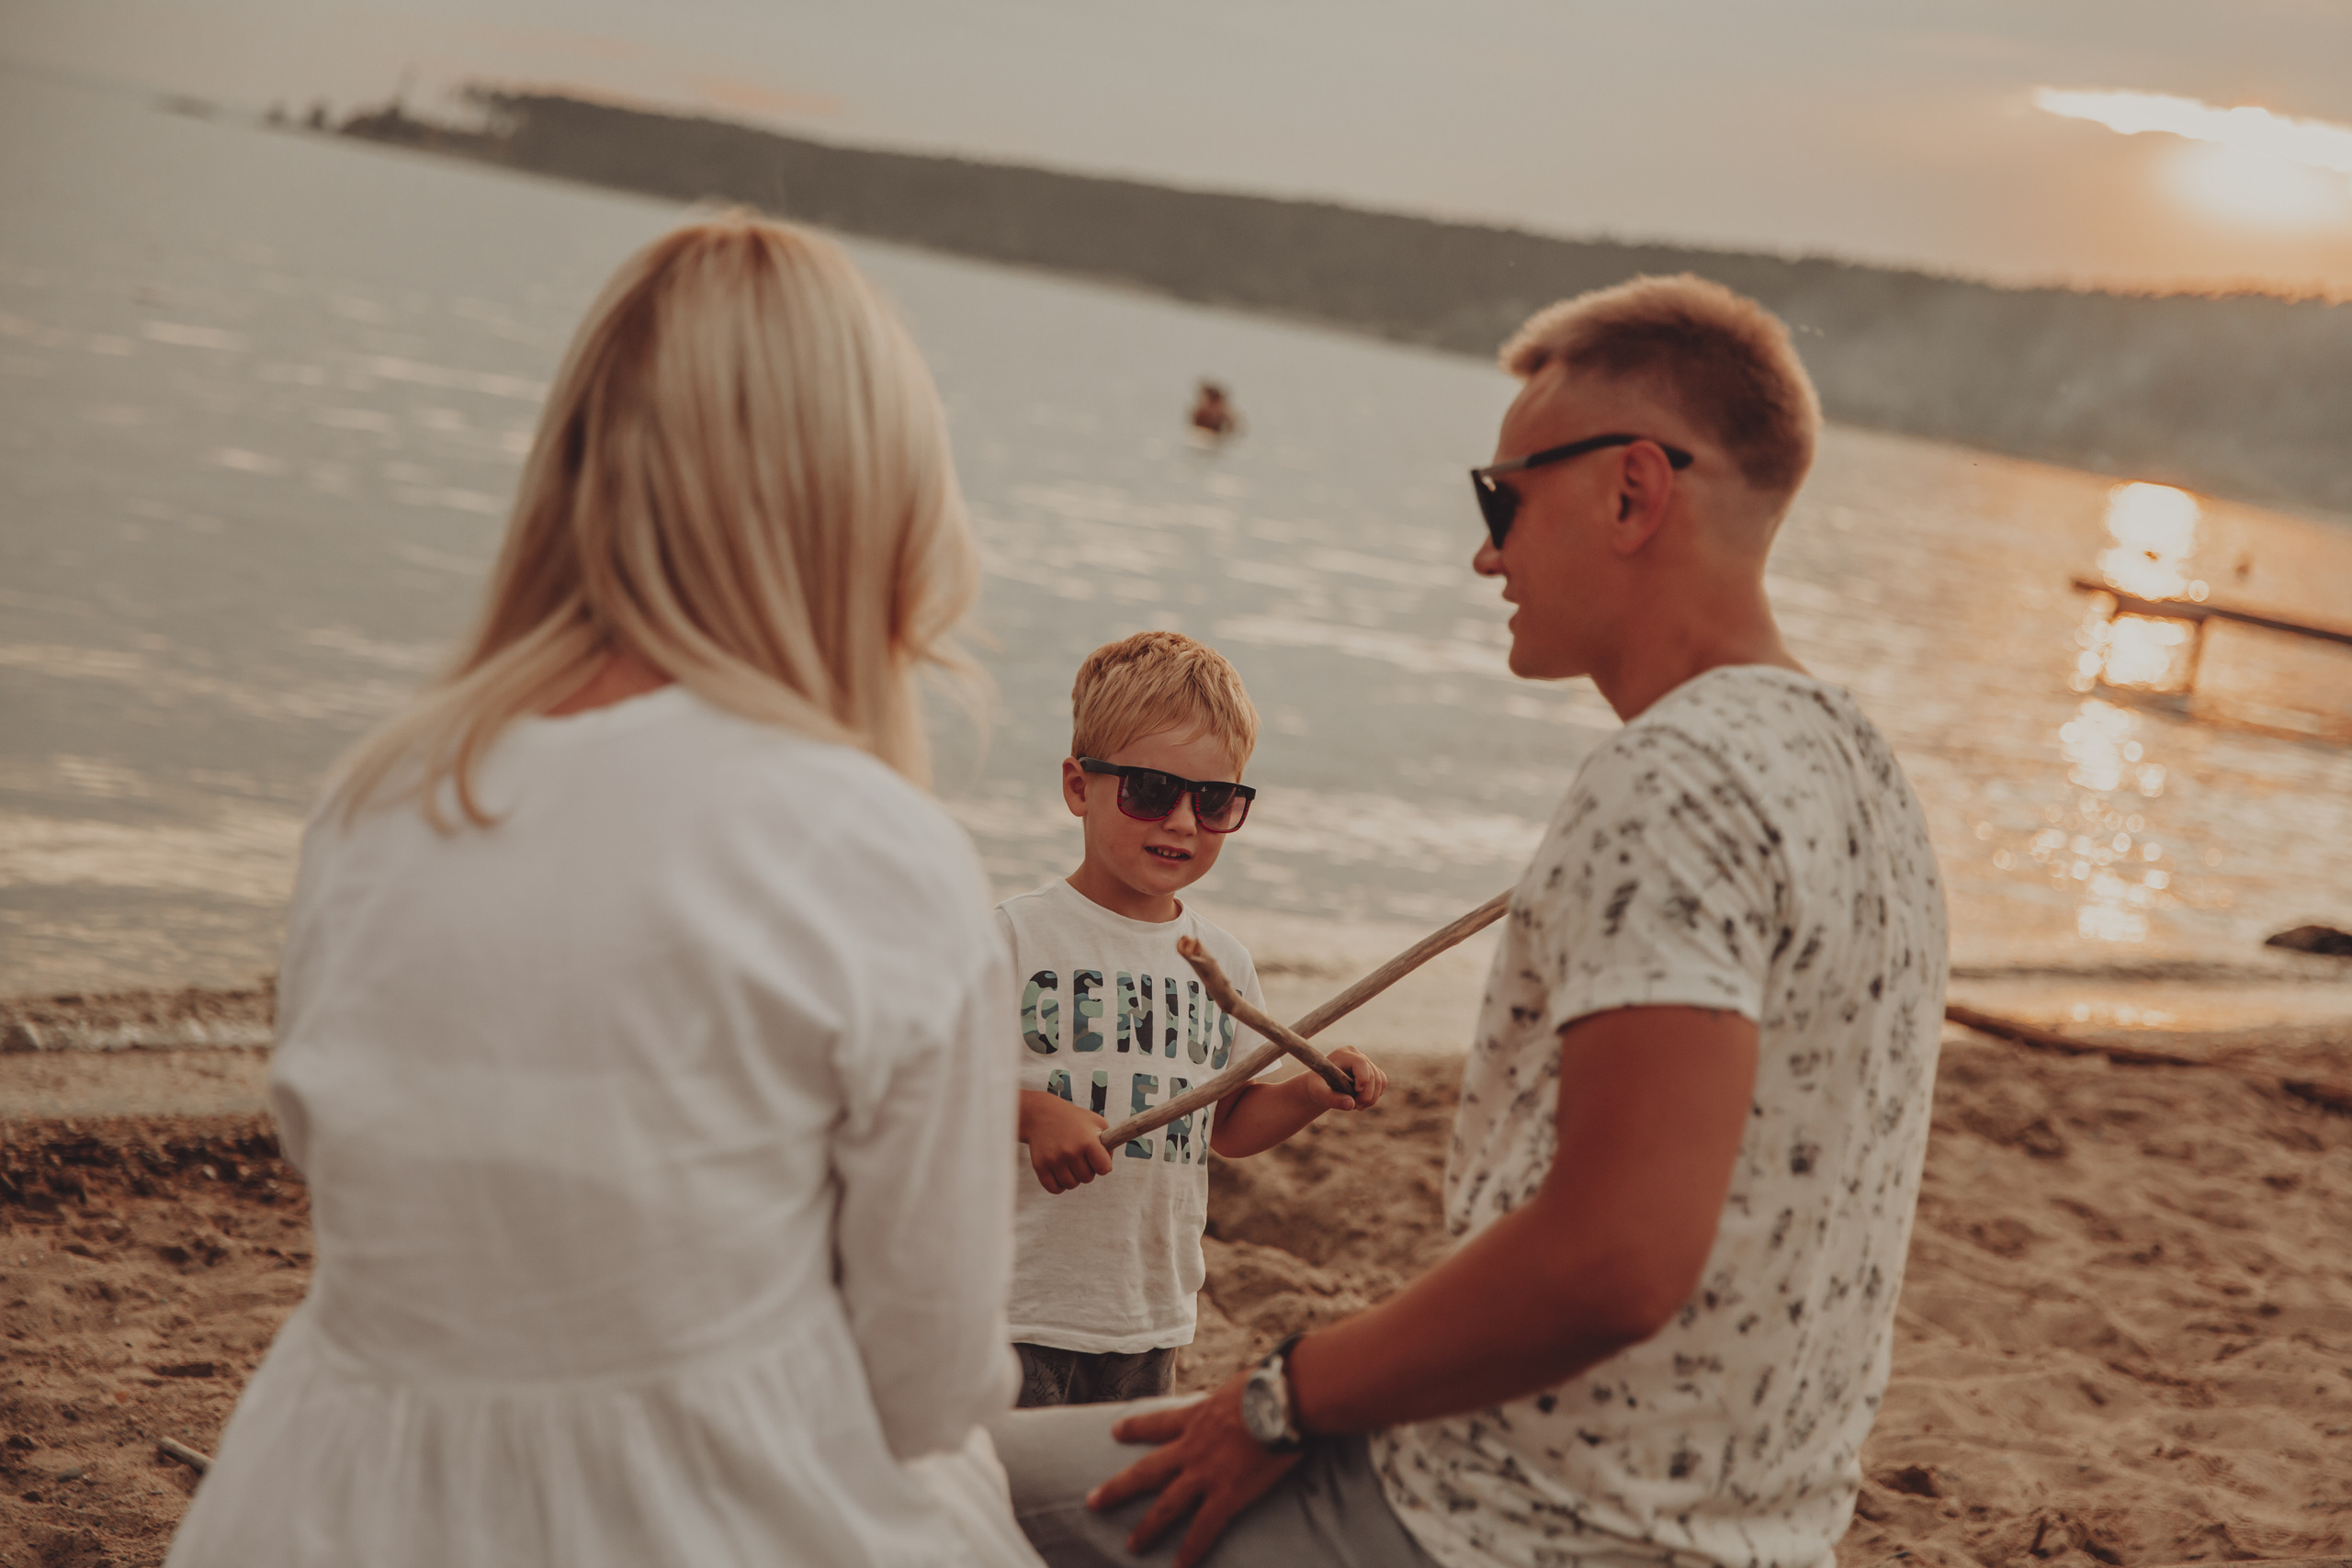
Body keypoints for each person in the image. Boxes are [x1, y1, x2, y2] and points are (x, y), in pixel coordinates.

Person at [989, 274, 1951, 1568]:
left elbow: (1613, 1258)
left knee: (913, 1492)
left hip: (1521, 1516)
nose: (1485, 552)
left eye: (1503, 498)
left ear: (1630, 491)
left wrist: (1280, 1395)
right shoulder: (1862, 768)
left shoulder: (1669, 776)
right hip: (1760, 1522)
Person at [166, 214, 1038, 1568]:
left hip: (325, 1495)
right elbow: (928, 1379)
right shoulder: (872, 849)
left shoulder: (378, 796)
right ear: (863, 503)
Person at [1004, 631, 1388, 1409]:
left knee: (1110, 1511)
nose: (1182, 820)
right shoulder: (1015, 937)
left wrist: (1312, 1092)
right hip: (1015, 1305)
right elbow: (925, 1084)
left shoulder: (1222, 960)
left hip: (1151, 1313)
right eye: (1149, 789)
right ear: (1079, 786)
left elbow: (1231, 1125)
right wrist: (1033, 1110)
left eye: (1213, 801)